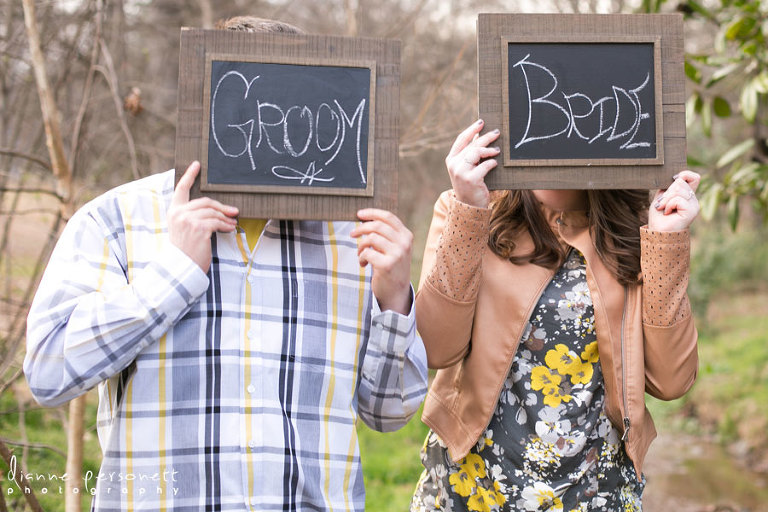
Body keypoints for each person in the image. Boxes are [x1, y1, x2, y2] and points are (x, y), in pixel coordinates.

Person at [24, 16, 427, 512]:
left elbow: (389, 412)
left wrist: (394, 298)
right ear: (213, 104)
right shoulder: (117, 221)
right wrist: (172, 276)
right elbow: (47, 373)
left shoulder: (356, 237)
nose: (273, 128)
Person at [410, 119, 699, 511]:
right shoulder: (467, 209)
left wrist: (666, 240)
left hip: (595, 492)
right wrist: (468, 211)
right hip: (472, 487)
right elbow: (433, 349)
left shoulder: (638, 229)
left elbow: (672, 380)